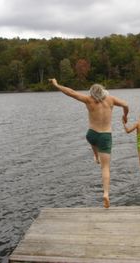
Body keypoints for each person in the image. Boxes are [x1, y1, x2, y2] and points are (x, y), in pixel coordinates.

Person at [48, 78, 129, 208]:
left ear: (92, 93)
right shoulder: (111, 100)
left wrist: (57, 84)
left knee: (93, 142)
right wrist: (125, 116)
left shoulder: (88, 100)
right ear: (103, 92)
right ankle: (106, 194)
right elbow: (126, 105)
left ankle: (96, 156)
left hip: (91, 135)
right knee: (105, 167)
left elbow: (71, 92)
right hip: (105, 137)